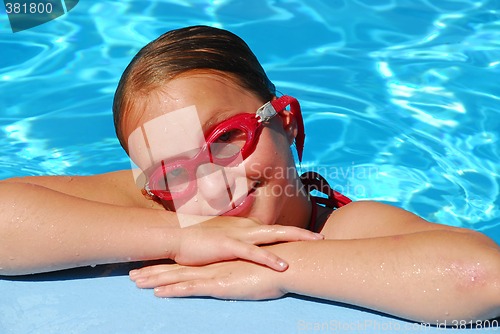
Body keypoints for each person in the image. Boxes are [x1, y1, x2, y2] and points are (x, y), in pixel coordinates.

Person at [1, 25, 499, 324]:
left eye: (226, 139)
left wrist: (280, 271)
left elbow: (482, 278)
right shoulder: (168, 207)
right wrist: (173, 236)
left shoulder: (337, 229)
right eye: (174, 170)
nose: (213, 185)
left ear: (288, 123)